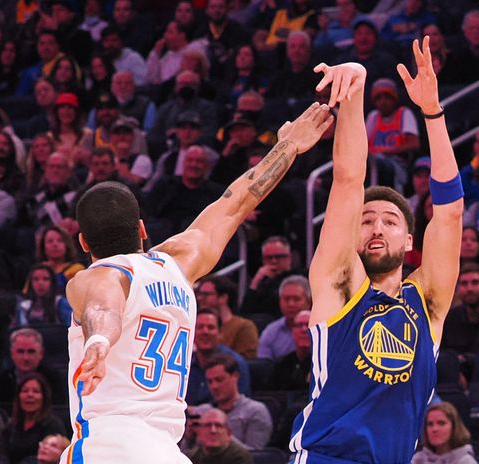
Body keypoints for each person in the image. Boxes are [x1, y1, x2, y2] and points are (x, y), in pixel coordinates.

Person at [61, 101, 333, 462]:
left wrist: (97, 341)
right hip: (166, 450)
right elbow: (236, 202)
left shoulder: (98, 276)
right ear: (142, 230)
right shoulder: (179, 263)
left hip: (108, 444)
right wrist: (288, 147)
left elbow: (103, 304)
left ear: (83, 242)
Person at [290, 38, 464, 462]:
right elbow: (349, 180)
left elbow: (450, 213)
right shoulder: (340, 284)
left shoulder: (428, 302)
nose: (376, 227)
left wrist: (432, 112)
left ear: (409, 242)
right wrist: (351, 94)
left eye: (390, 221)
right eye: (366, 220)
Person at [198, 353, 272, 450]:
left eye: (219, 380)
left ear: (235, 376)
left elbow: (255, 456)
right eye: (210, 381)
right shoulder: (201, 413)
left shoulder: (255, 411)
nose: (214, 386)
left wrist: (222, 435)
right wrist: (189, 438)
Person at [2, 373, 66, 463]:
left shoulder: (53, 425)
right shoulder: (10, 427)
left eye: (36, 391)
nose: (30, 395)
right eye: (25, 391)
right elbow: (1, 454)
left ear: (44, 397)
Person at [195, 276, 258, 359]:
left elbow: (246, 364)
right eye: (199, 294)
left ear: (223, 298)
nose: (199, 298)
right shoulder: (195, 325)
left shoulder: (244, 326)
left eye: (205, 294)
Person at [257, 275, 312, 360]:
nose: (291, 304)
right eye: (286, 299)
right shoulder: (270, 331)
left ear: (309, 302)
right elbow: (264, 367)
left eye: (296, 299)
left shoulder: (323, 328)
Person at [412, 401, 477, 464]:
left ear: (454, 427)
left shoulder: (466, 461)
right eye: (430, 424)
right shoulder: (417, 460)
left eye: (441, 423)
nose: (434, 429)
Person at [186, 408, 254, 464]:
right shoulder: (190, 457)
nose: (213, 430)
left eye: (218, 425)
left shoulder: (240, 457)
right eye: (208, 425)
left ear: (228, 433)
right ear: (199, 432)